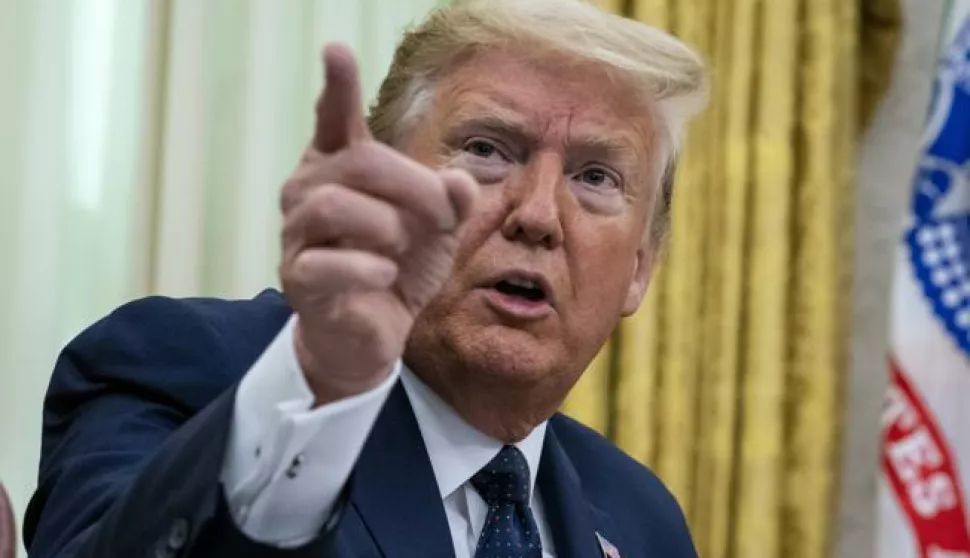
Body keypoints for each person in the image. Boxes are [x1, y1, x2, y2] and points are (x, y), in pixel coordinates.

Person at [23, 0, 707, 556]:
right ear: (379, 185)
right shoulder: (171, 372)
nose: (537, 215)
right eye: (487, 150)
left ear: (640, 270)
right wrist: (323, 389)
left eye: (595, 177)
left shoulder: (641, 518)